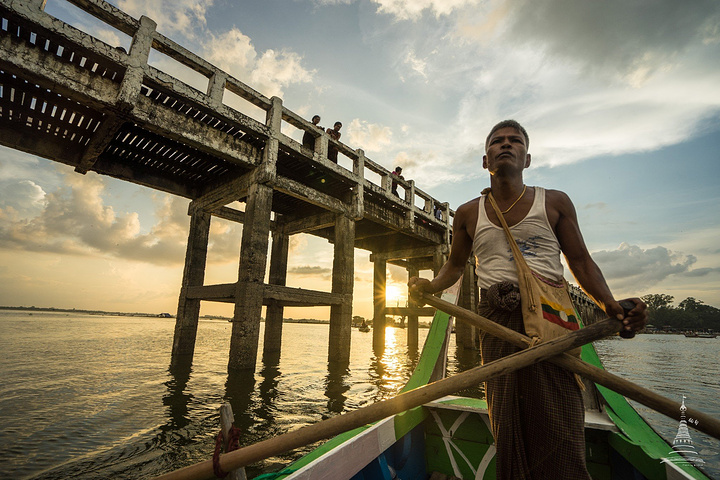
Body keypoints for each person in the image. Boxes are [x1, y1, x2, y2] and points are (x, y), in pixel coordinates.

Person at [408, 120, 647, 479]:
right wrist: (430, 285)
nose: (506, 145)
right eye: (497, 142)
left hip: (551, 320)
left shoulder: (554, 202)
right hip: (495, 322)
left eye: (515, 141)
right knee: (507, 419)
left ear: (528, 158)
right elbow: (455, 266)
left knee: (559, 415)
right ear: (484, 159)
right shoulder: (468, 213)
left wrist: (607, 303)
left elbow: (579, 260)